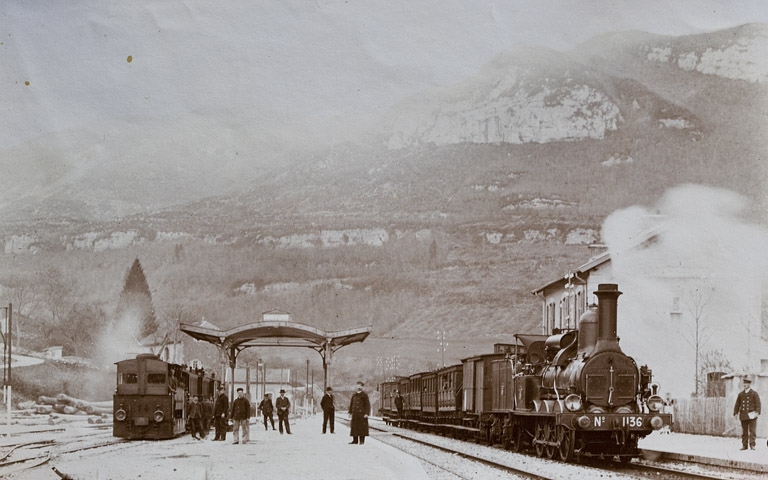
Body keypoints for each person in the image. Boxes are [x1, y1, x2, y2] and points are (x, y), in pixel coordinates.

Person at [733, 377, 761, 450]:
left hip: (752, 415)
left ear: (749, 384)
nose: (745, 385)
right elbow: (737, 404)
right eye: (744, 383)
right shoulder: (741, 394)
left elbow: (758, 404)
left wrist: (757, 412)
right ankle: (744, 445)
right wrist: (735, 413)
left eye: (746, 383)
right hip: (743, 415)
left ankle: (752, 445)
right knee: (744, 431)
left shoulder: (754, 394)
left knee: (752, 431)